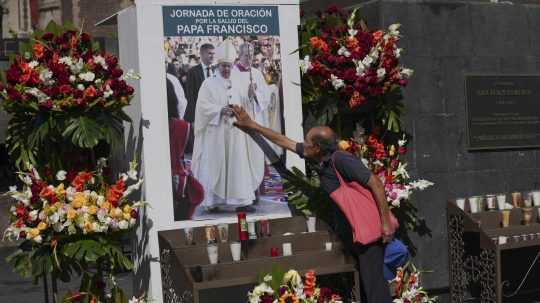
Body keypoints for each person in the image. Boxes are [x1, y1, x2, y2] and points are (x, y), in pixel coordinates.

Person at [231, 105, 395, 303]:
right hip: (352, 233)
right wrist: (251, 125)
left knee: (375, 288)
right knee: (365, 288)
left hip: (368, 234)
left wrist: (385, 222)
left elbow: (375, 183)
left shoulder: (341, 160)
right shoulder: (319, 157)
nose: (303, 143)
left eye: (307, 141)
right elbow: (284, 142)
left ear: (317, 147)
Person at [191, 40, 265, 215]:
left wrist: (249, 95)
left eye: (229, 66)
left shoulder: (238, 82)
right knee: (215, 165)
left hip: (236, 132)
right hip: (215, 133)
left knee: (238, 164)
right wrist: (219, 110)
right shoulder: (208, 84)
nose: (226, 69)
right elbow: (202, 107)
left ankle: (241, 200)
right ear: (218, 65)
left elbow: (246, 104)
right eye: (223, 66)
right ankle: (213, 201)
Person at [184, 43, 216, 153]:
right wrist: (193, 118)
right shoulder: (193, 72)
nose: (212, 56)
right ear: (202, 54)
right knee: (200, 146)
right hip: (199, 114)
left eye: (213, 53)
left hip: (215, 114)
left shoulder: (217, 70)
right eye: (209, 53)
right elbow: (190, 96)